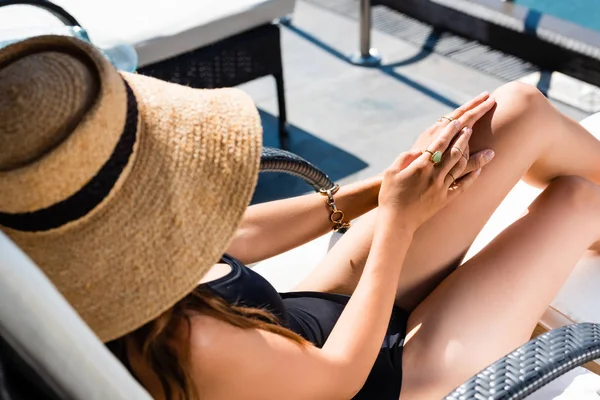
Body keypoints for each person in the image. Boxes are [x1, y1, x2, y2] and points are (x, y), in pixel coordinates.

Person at [1, 35, 599, 400]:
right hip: (384, 376)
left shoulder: (68, 263)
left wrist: (390, 188)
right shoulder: (187, 344)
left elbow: (234, 234)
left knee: (512, 111)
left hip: (311, 313)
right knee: (578, 199)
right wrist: (397, 222)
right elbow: (337, 379)